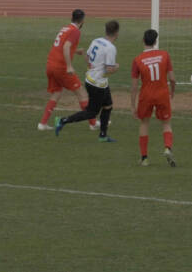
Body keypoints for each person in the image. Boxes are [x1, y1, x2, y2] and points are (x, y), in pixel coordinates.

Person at [54, 20, 120, 142]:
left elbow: (88, 59)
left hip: (94, 80)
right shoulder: (111, 48)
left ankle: (103, 135)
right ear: (117, 33)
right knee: (91, 113)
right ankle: (63, 120)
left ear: (106, 31)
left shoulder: (96, 40)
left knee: (108, 106)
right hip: (97, 84)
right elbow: (109, 70)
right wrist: (116, 67)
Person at [38, 9, 96, 131]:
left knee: (57, 93)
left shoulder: (65, 28)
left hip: (50, 65)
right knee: (81, 92)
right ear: (82, 20)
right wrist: (69, 66)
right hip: (61, 67)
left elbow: (60, 47)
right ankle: (93, 123)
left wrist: (76, 51)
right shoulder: (75, 31)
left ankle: (42, 124)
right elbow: (66, 47)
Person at [131, 29, 176, 167]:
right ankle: (167, 148)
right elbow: (172, 79)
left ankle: (144, 158)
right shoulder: (165, 55)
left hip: (146, 95)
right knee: (166, 123)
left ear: (143, 41)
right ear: (155, 41)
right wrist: (172, 91)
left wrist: (132, 105)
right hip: (162, 94)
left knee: (144, 123)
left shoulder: (137, 60)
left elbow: (134, 86)